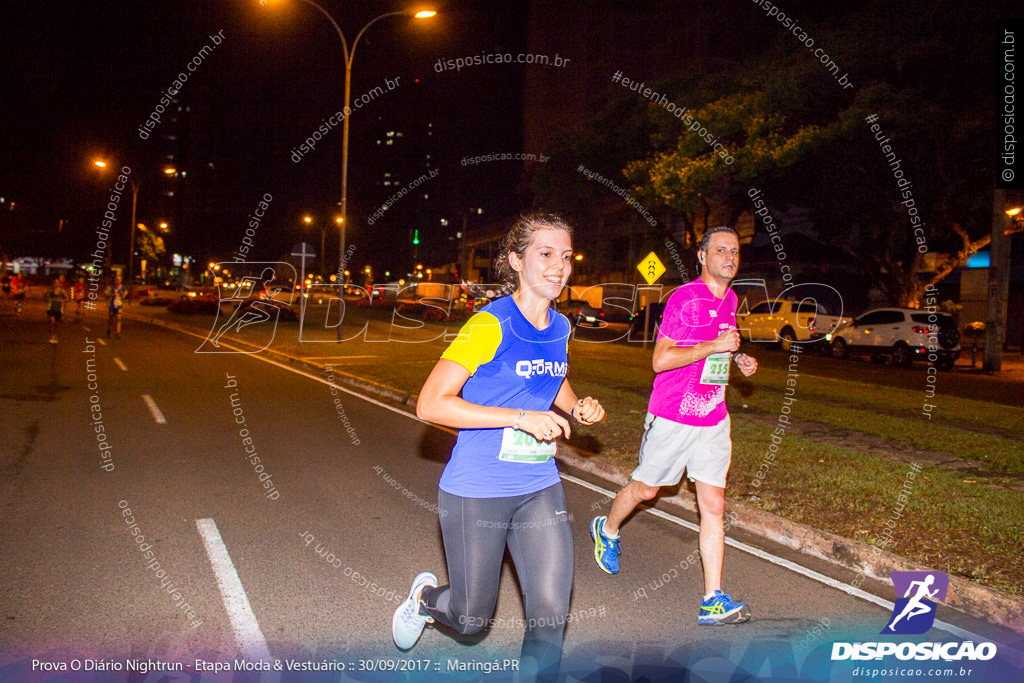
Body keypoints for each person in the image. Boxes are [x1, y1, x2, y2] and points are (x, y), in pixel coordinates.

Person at [393, 214, 605, 679]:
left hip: (537, 485)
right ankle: (426, 600)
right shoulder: (490, 324)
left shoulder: (560, 327)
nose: (559, 266)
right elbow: (430, 404)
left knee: (550, 614)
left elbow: (553, 376)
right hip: (477, 488)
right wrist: (519, 418)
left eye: (566, 257)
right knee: (471, 619)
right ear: (516, 260)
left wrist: (576, 406)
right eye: (545, 254)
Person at [589, 226, 758, 625]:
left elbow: (723, 341)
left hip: (713, 416)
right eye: (721, 250)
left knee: (714, 505)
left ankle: (712, 599)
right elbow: (660, 360)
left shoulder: (731, 298)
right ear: (702, 257)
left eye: (734, 251)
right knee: (647, 489)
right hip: (673, 413)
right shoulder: (685, 299)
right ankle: (608, 529)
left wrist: (738, 359)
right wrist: (714, 348)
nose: (730, 258)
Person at [45, 276, 67, 343]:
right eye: (55, 282)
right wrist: (47, 297)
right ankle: (52, 335)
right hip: (51, 308)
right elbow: (45, 297)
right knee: (52, 321)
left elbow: (67, 298)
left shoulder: (62, 291)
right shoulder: (50, 290)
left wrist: (61, 300)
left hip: (58, 309)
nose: (56, 283)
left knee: (56, 324)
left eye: (57, 282)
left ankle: (54, 334)